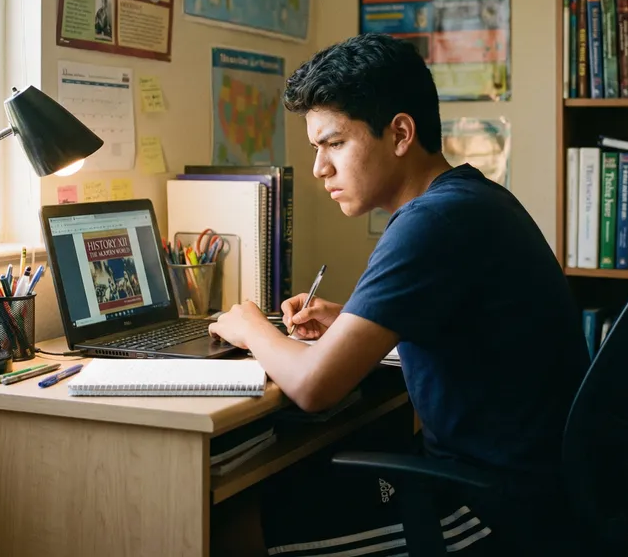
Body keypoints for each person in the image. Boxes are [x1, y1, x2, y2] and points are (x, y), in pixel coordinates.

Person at [208, 32, 590, 555]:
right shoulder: (471, 197)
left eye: (335, 144)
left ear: (401, 133)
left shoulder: (429, 224)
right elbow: (469, 333)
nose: (321, 168)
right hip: (522, 481)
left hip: (492, 508)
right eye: (316, 148)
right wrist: (352, 321)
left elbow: (315, 387)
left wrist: (250, 327)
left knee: (232, 527)